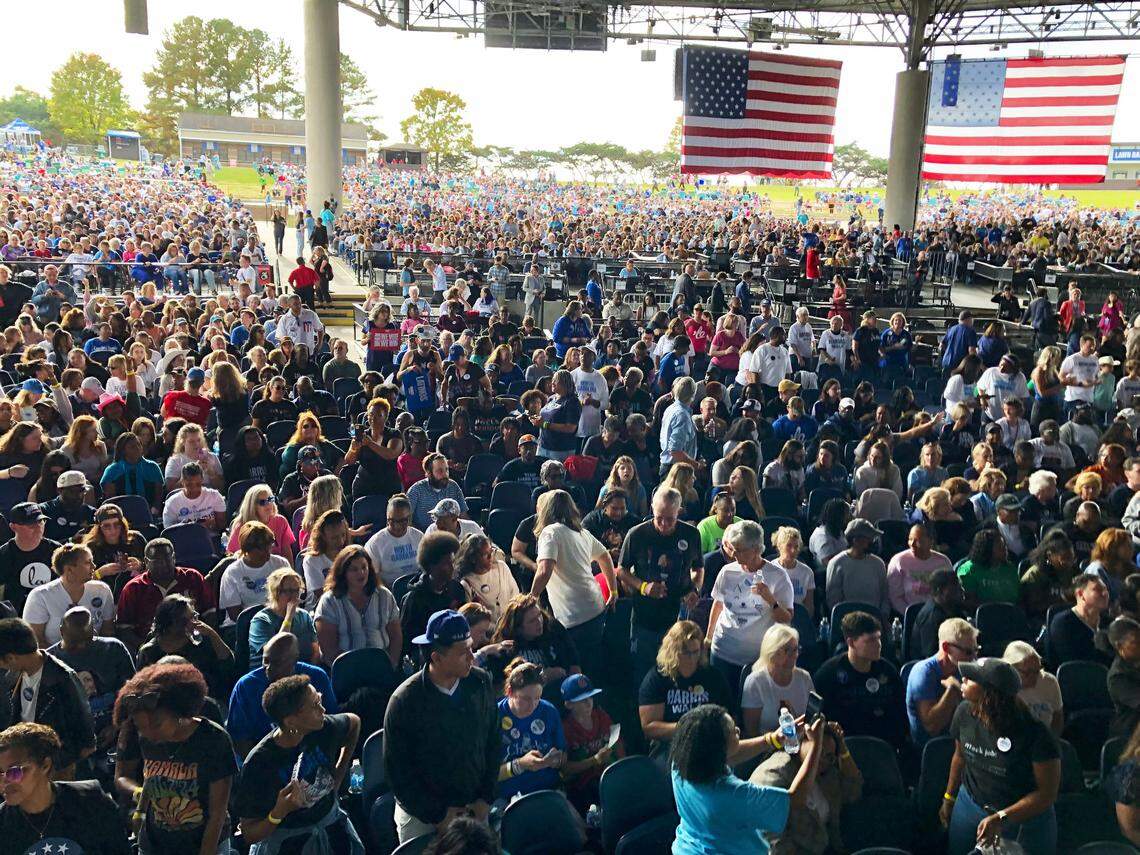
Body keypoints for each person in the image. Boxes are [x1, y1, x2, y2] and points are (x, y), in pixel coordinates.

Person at [384, 609, 500, 842]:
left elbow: (493, 742)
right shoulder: (404, 701)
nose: (472, 656)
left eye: (470, 646)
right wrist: (438, 815)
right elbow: (398, 773)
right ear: (436, 657)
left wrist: (485, 798)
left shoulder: (480, 683)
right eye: (462, 652)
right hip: (422, 816)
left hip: (473, 806)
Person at [113, 662, 237, 855]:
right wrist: (141, 800)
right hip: (155, 845)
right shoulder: (140, 735)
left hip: (204, 844)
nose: (149, 733)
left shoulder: (214, 739)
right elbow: (135, 778)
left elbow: (217, 814)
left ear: (178, 712)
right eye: (141, 727)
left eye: (157, 724)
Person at [942, 657, 1061, 855]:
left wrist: (1001, 817)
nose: (962, 681)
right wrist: (949, 798)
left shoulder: (1035, 733)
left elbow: (1046, 794)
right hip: (970, 805)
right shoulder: (964, 713)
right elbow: (960, 757)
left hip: (1023, 819)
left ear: (990, 693)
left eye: (970, 680)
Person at [670, 703, 826, 855]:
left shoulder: (681, 764)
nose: (738, 729)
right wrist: (815, 746)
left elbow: (732, 754)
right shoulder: (735, 797)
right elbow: (795, 799)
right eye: (732, 731)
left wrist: (771, 739)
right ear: (719, 747)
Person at [234, 675, 364, 855]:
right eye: (314, 706)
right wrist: (279, 812)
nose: (323, 709)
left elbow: (354, 723)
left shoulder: (323, 727)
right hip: (288, 844)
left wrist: (339, 772)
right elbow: (249, 833)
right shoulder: (259, 764)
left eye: (319, 700)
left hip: (331, 830)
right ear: (291, 721)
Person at [0, 722, 131, 855]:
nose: (4, 781)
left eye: (14, 771)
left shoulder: (91, 800)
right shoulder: (3, 824)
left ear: (45, 765)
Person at [617, 485, 703, 686]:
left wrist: (695, 589)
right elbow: (621, 570)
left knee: (677, 668)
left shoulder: (691, 534)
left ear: (678, 512)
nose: (664, 524)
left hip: (678, 616)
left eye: (670, 519)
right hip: (645, 616)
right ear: (652, 511)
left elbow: (698, 568)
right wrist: (644, 586)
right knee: (644, 670)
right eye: (659, 518)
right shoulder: (637, 534)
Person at [532, 489, 617, 680]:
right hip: (595, 607)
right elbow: (605, 556)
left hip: (573, 615)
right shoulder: (582, 532)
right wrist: (613, 589)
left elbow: (545, 569)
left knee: (576, 673)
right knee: (593, 668)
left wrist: (531, 598)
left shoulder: (550, 532)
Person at [706, 519, 794, 696]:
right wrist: (708, 638)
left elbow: (786, 618)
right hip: (723, 651)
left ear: (755, 549)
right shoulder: (727, 571)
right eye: (733, 549)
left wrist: (770, 599)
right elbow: (718, 604)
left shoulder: (777, 576)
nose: (734, 555)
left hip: (758, 657)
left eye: (740, 550)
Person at [0, 617, 96, 778]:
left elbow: (86, 740)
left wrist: (59, 767)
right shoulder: (12, 678)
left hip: (56, 768)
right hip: (24, 765)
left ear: (11, 658)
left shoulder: (64, 680)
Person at [226, 632, 339, 760]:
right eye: (266, 661)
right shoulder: (246, 687)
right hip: (266, 759)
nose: (268, 668)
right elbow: (239, 740)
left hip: (312, 754)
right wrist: (261, 767)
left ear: (295, 660)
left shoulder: (317, 677)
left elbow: (333, 723)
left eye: (277, 662)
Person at [815, 611, 908, 750]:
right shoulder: (828, 675)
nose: (878, 644)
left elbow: (900, 718)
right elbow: (819, 722)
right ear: (851, 642)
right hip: (842, 750)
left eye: (879, 638)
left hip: (883, 750)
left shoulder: (888, 672)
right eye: (870, 640)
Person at [639, 620, 732, 757]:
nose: (692, 658)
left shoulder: (712, 676)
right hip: (670, 744)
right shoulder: (657, 678)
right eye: (686, 653)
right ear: (673, 651)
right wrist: (689, 727)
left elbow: (728, 712)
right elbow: (649, 727)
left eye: (696, 652)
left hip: (707, 741)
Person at [48, 605, 135, 751]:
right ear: (61, 631)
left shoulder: (113, 649)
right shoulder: (51, 661)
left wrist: (116, 726)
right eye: (74, 643)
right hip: (71, 741)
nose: (81, 646)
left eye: (86, 641)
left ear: (94, 631)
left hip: (116, 732)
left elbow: (132, 692)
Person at [314, 544, 402, 670]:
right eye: (354, 569)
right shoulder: (330, 601)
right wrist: (353, 670)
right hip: (346, 669)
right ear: (343, 572)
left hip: (382, 665)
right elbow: (328, 647)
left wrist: (391, 663)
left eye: (364, 567)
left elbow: (396, 635)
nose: (361, 573)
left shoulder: (384, 595)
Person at [115, 537, 213, 648]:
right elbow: (124, 629)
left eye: (167, 559)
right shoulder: (133, 588)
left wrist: (204, 641)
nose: (163, 564)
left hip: (193, 644)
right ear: (146, 562)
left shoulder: (192, 577)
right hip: (151, 649)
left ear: (174, 557)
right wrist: (146, 649)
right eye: (157, 561)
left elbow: (210, 614)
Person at [495, 658, 566, 800]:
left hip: (548, 790)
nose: (532, 705)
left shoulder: (549, 711)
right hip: (507, 797)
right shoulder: (493, 716)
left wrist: (556, 760)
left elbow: (563, 755)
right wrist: (520, 765)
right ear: (510, 692)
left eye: (537, 698)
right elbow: (487, 774)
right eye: (526, 699)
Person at [906, 618, 979, 747]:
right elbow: (932, 728)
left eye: (976, 650)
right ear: (946, 647)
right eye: (968, 652)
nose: (973, 657)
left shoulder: (966, 668)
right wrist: (952, 690)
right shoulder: (923, 673)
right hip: (931, 749)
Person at [23, 543, 114, 647]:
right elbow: (36, 641)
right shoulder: (40, 596)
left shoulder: (102, 590)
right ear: (69, 570)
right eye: (88, 562)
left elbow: (108, 631)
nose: (94, 566)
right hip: (54, 659)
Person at [742, 624, 814, 738]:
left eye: (795, 649)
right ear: (772, 652)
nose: (794, 655)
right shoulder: (755, 683)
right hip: (769, 749)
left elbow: (813, 719)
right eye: (787, 650)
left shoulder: (804, 678)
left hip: (803, 744)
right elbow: (751, 732)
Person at [249, 567, 320, 665]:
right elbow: (275, 654)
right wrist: (289, 617)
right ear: (275, 592)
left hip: (301, 670)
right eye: (289, 591)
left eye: (297, 590)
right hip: (270, 673)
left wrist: (311, 671)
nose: (294, 596)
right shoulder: (261, 620)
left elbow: (315, 650)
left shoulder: (304, 616)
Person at [0, 502, 61, 616]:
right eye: (31, 524)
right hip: (17, 617)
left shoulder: (56, 550)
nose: (38, 527)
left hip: (52, 612)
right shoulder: (4, 555)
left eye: (40, 521)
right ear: (13, 527)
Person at [825, 518, 890, 621]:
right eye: (869, 538)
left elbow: (885, 596)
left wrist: (883, 617)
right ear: (855, 540)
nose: (872, 542)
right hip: (847, 621)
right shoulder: (837, 564)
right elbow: (833, 600)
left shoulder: (878, 564)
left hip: (874, 620)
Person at [1049, 571, 1113, 666]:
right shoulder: (1063, 623)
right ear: (1080, 594)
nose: (1105, 593)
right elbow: (1069, 661)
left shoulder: (1109, 623)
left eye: (1105, 589)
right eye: (1098, 589)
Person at [887, 523, 953, 615]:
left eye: (918, 540)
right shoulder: (899, 561)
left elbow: (950, 592)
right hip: (909, 614)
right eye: (910, 539)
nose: (912, 544)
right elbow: (895, 596)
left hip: (938, 613)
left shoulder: (943, 561)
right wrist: (911, 614)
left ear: (931, 541)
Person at [1004, 641, 1063, 735]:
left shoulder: (1049, 682)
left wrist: (1052, 740)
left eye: (1037, 671)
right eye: (1027, 673)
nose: (1034, 677)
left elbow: (1058, 716)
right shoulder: (1003, 688)